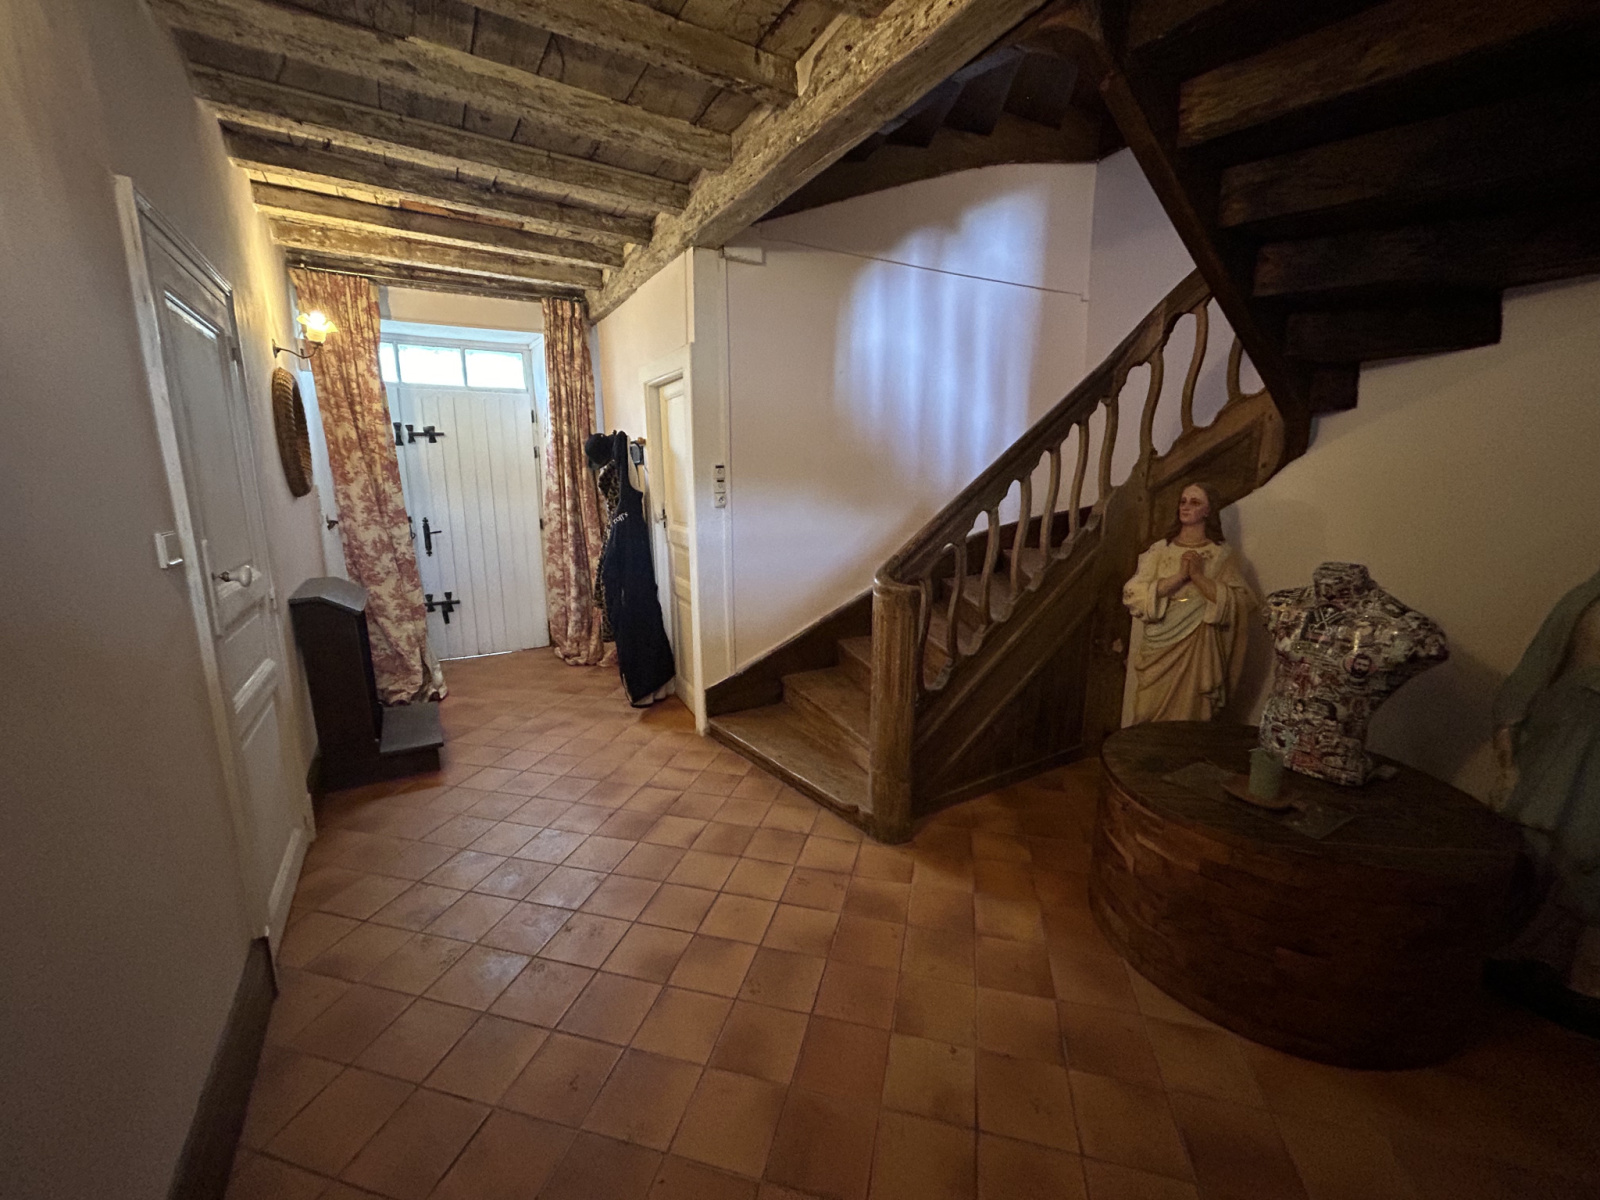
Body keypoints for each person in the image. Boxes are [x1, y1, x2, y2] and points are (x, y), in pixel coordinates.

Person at [1489, 564, 1600, 1020]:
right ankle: (1516, 949)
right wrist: (1510, 727)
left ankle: (1578, 975)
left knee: (1586, 857)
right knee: (1536, 844)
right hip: (1562, 739)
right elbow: (1539, 665)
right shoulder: (1585, 600)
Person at [1122, 482, 1257, 724]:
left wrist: (1198, 577)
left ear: (1208, 511)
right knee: (1145, 709)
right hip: (1159, 642)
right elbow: (1133, 592)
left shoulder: (1220, 554)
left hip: (1199, 643)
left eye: (1195, 503)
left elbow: (1242, 601)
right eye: (1183, 502)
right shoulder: (1161, 550)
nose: (1185, 507)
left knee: (1192, 711)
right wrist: (1178, 578)